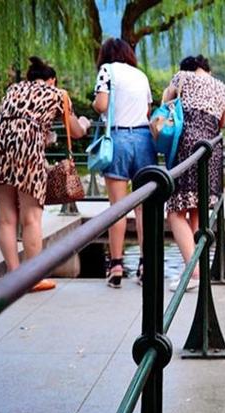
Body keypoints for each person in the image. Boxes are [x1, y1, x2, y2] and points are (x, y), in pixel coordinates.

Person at [0, 56, 91, 292]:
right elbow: (75, 131)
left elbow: (14, 118)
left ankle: (13, 275)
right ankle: (32, 278)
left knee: (6, 218)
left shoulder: (13, 89)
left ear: (28, 78)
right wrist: (84, 123)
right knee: (31, 217)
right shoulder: (57, 94)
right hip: (27, 147)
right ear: (51, 79)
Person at [161, 55, 225, 291]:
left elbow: (165, 103)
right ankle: (195, 269)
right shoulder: (222, 87)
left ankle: (194, 273)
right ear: (206, 68)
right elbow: (222, 122)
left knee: (174, 211)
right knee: (196, 210)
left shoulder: (182, 77)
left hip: (187, 147)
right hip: (211, 150)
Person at [92, 38, 156, 289]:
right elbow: (148, 110)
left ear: (106, 55)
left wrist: (95, 104)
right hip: (143, 139)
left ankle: (116, 265)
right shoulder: (141, 75)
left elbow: (102, 104)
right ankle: (146, 265)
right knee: (142, 208)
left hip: (117, 139)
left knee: (117, 207)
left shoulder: (107, 70)